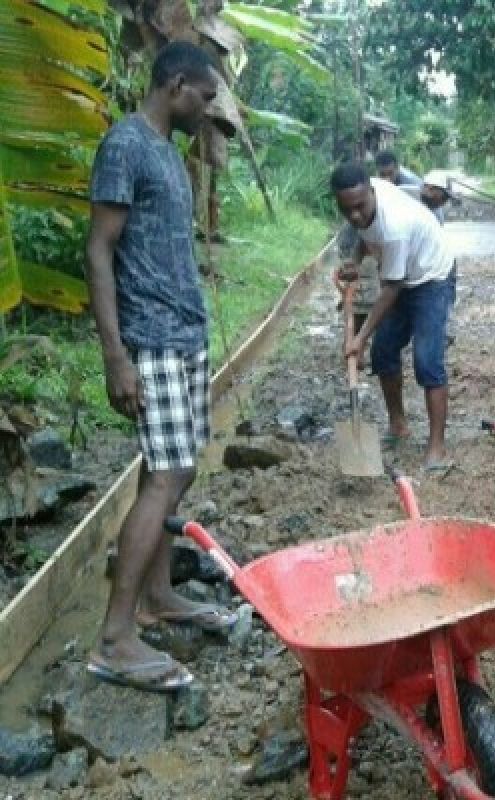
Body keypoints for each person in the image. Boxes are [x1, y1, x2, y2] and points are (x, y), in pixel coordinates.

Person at [85, 41, 233, 692]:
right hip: (151, 340)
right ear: (175, 85)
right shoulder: (125, 145)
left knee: (170, 464)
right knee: (167, 473)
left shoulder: (169, 153)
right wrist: (116, 355)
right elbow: (98, 251)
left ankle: (158, 596)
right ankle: (115, 638)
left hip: (183, 333)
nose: (209, 110)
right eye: (204, 97)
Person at [332, 162, 457, 471]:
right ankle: (398, 426)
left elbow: (390, 289)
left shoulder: (396, 226)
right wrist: (355, 262)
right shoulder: (360, 194)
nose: (355, 215)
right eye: (347, 210)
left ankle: (437, 447)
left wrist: (359, 338)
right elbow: (366, 233)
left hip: (432, 276)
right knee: (384, 351)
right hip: (403, 273)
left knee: (427, 361)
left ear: (372, 193)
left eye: (360, 207)